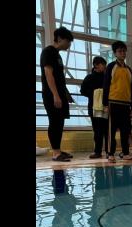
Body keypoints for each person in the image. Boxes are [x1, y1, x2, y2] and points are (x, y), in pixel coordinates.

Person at [40, 27, 75, 162]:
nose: (69, 44)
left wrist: (65, 94)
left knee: (59, 122)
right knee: (54, 122)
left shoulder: (57, 55)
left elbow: (59, 78)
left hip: (59, 93)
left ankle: (58, 149)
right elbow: (48, 74)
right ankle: (55, 153)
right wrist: (55, 95)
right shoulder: (48, 52)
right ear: (59, 39)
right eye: (68, 41)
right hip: (51, 94)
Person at [102, 41, 132, 162]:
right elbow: (106, 85)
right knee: (111, 130)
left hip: (126, 104)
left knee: (125, 130)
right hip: (113, 102)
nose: (122, 53)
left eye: (124, 51)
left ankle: (126, 152)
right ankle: (110, 153)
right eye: (120, 51)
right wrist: (105, 104)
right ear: (115, 53)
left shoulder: (128, 69)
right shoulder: (111, 67)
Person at [80, 56, 108, 159]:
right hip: (94, 108)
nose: (104, 67)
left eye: (104, 65)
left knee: (107, 130)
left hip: (106, 107)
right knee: (97, 131)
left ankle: (109, 151)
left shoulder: (107, 77)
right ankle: (97, 152)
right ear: (96, 65)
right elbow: (82, 91)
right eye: (102, 64)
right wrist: (95, 94)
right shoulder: (89, 77)